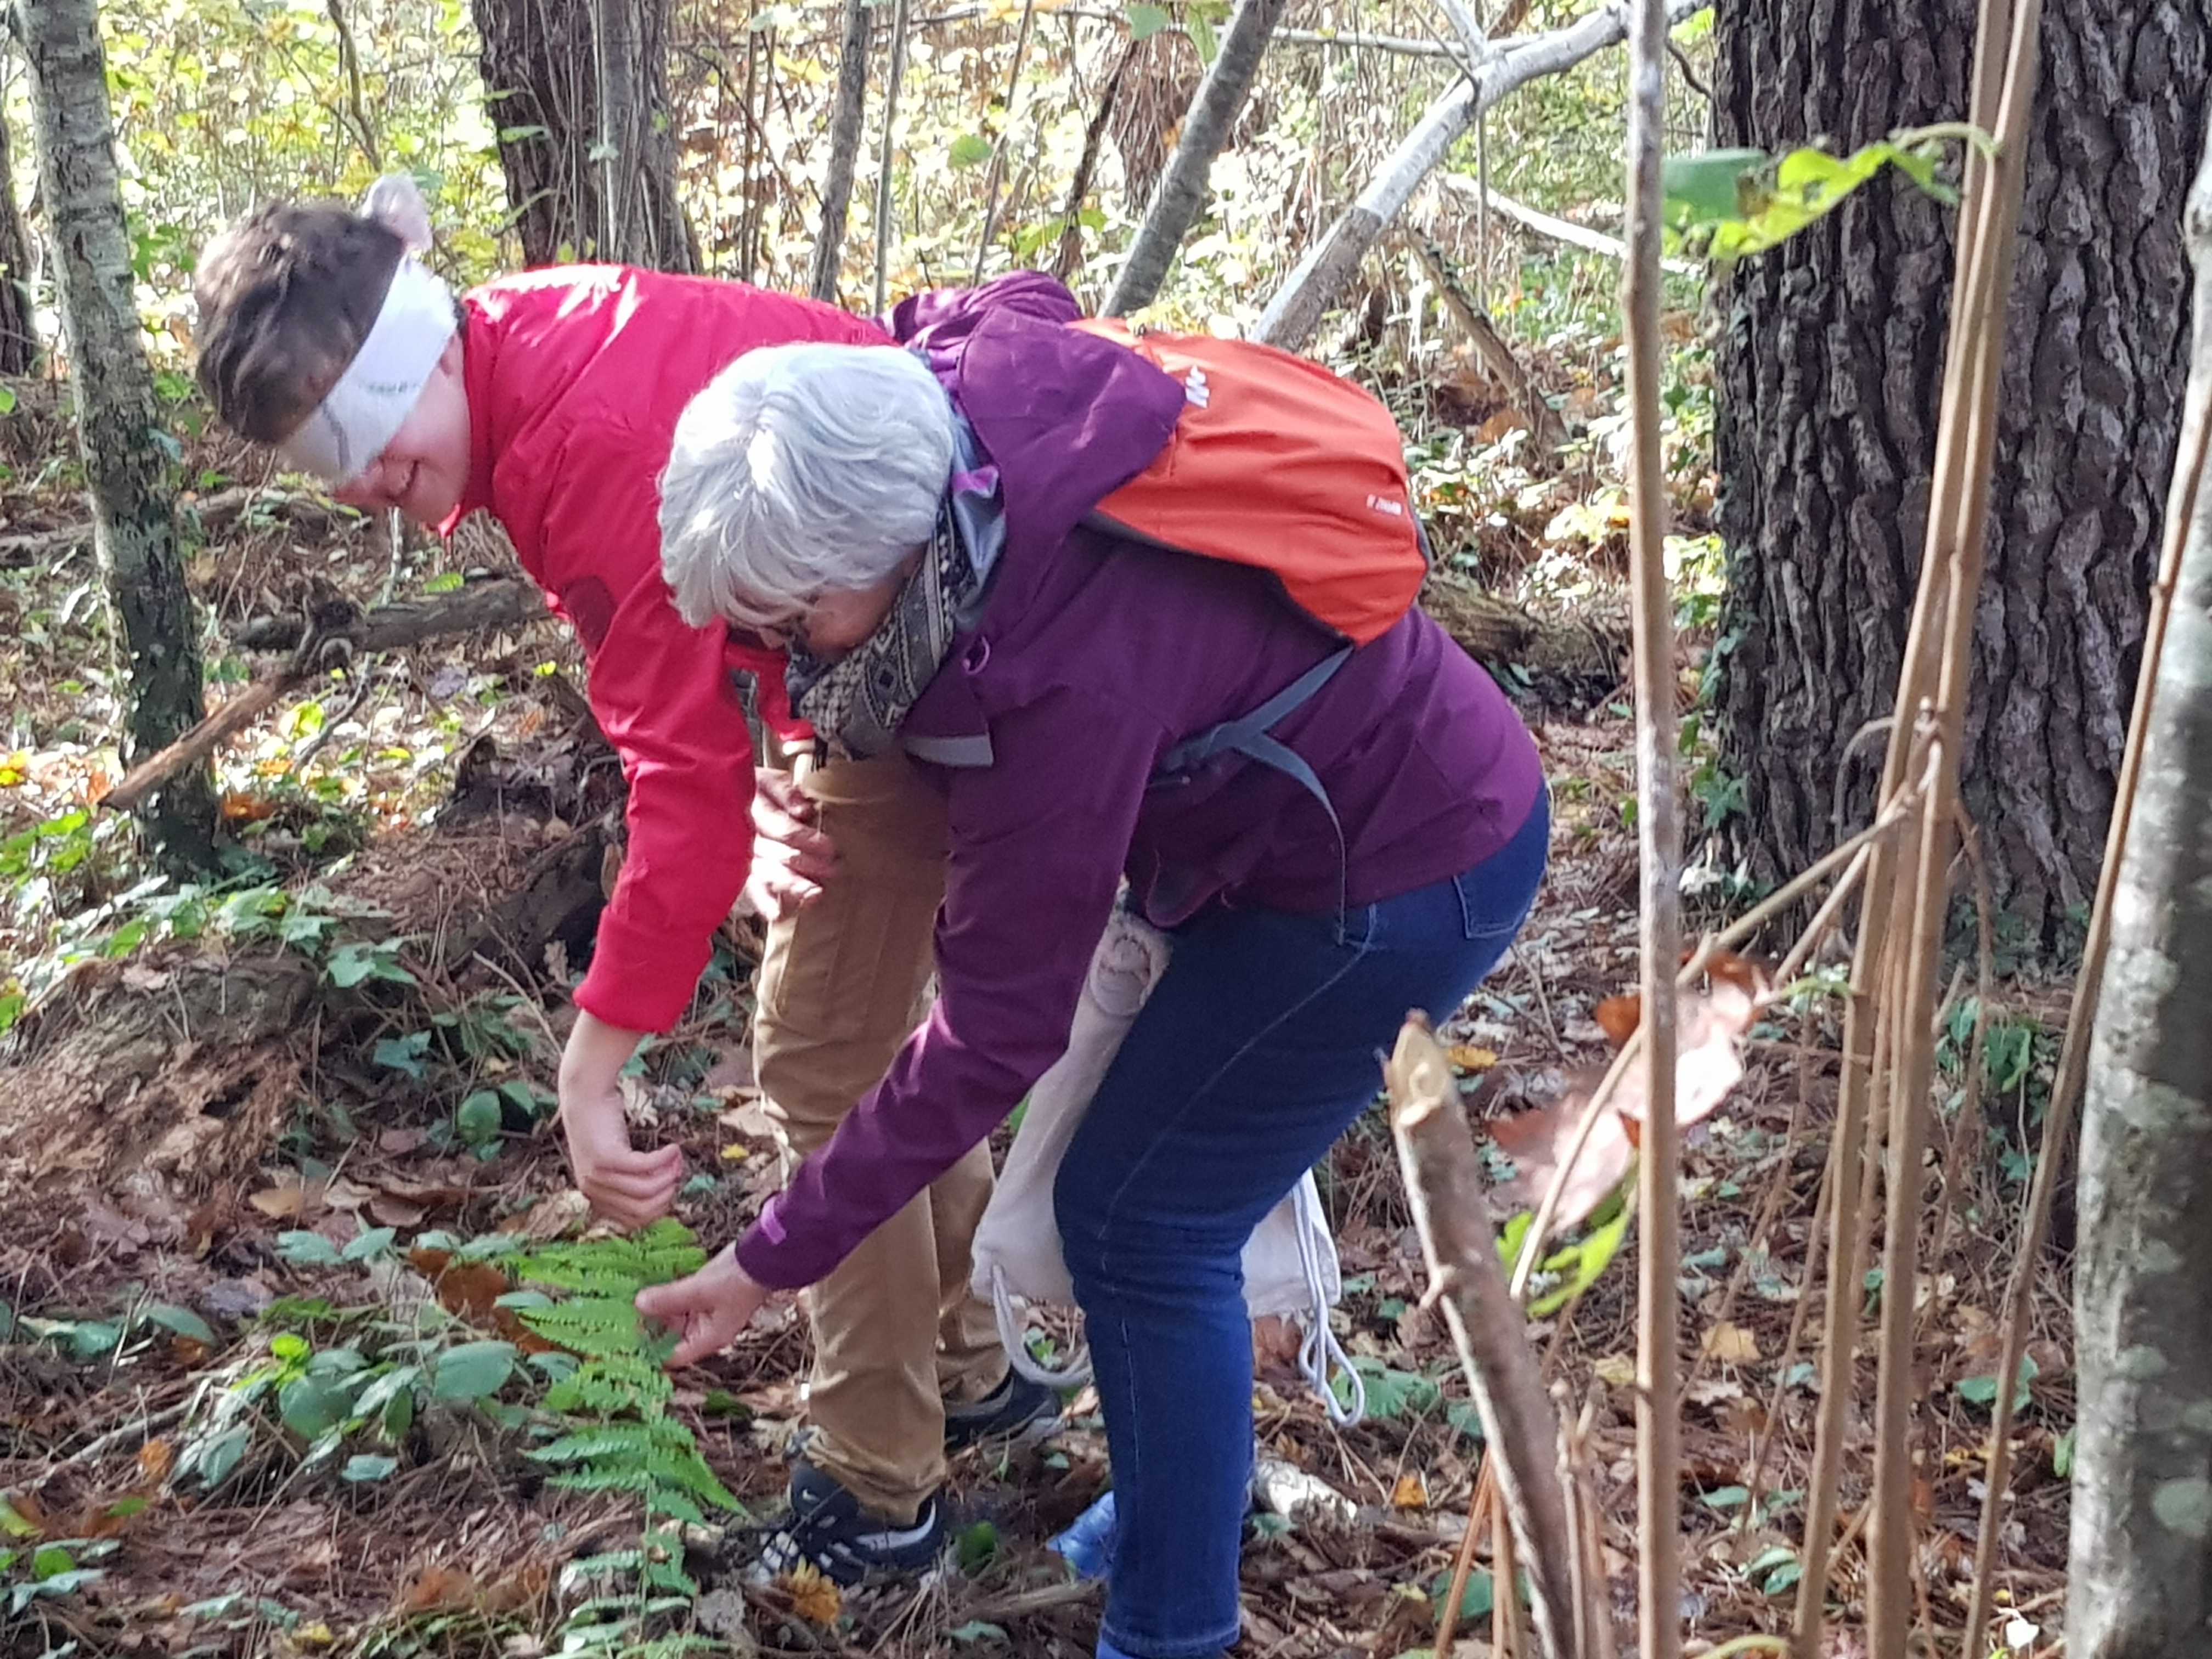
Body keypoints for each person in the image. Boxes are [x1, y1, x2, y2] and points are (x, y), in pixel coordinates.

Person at [635, 272, 1550, 1659]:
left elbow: (992, 1035)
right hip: (1289, 844)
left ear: (885, 560)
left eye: (791, 621)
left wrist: (769, 1262)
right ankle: (1175, 1512)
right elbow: (1017, 295)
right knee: (1136, 1208)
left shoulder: (1057, 681)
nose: (771, 657)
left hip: (1404, 875)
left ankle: (1169, 1625)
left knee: (1141, 1222)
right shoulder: (948, 386)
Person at [188, 188, 1059, 1583]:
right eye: (326, 462)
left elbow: (680, 783)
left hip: (962, 659)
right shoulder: (535, 348)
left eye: (368, 439)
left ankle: (875, 1492)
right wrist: (777, 739)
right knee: (873, 1042)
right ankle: (963, 1368)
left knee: (825, 1063)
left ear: (415, 344)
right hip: (905, 663)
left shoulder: (587, 440)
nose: (359, 488)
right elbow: (712, 680)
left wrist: (592, 1067)